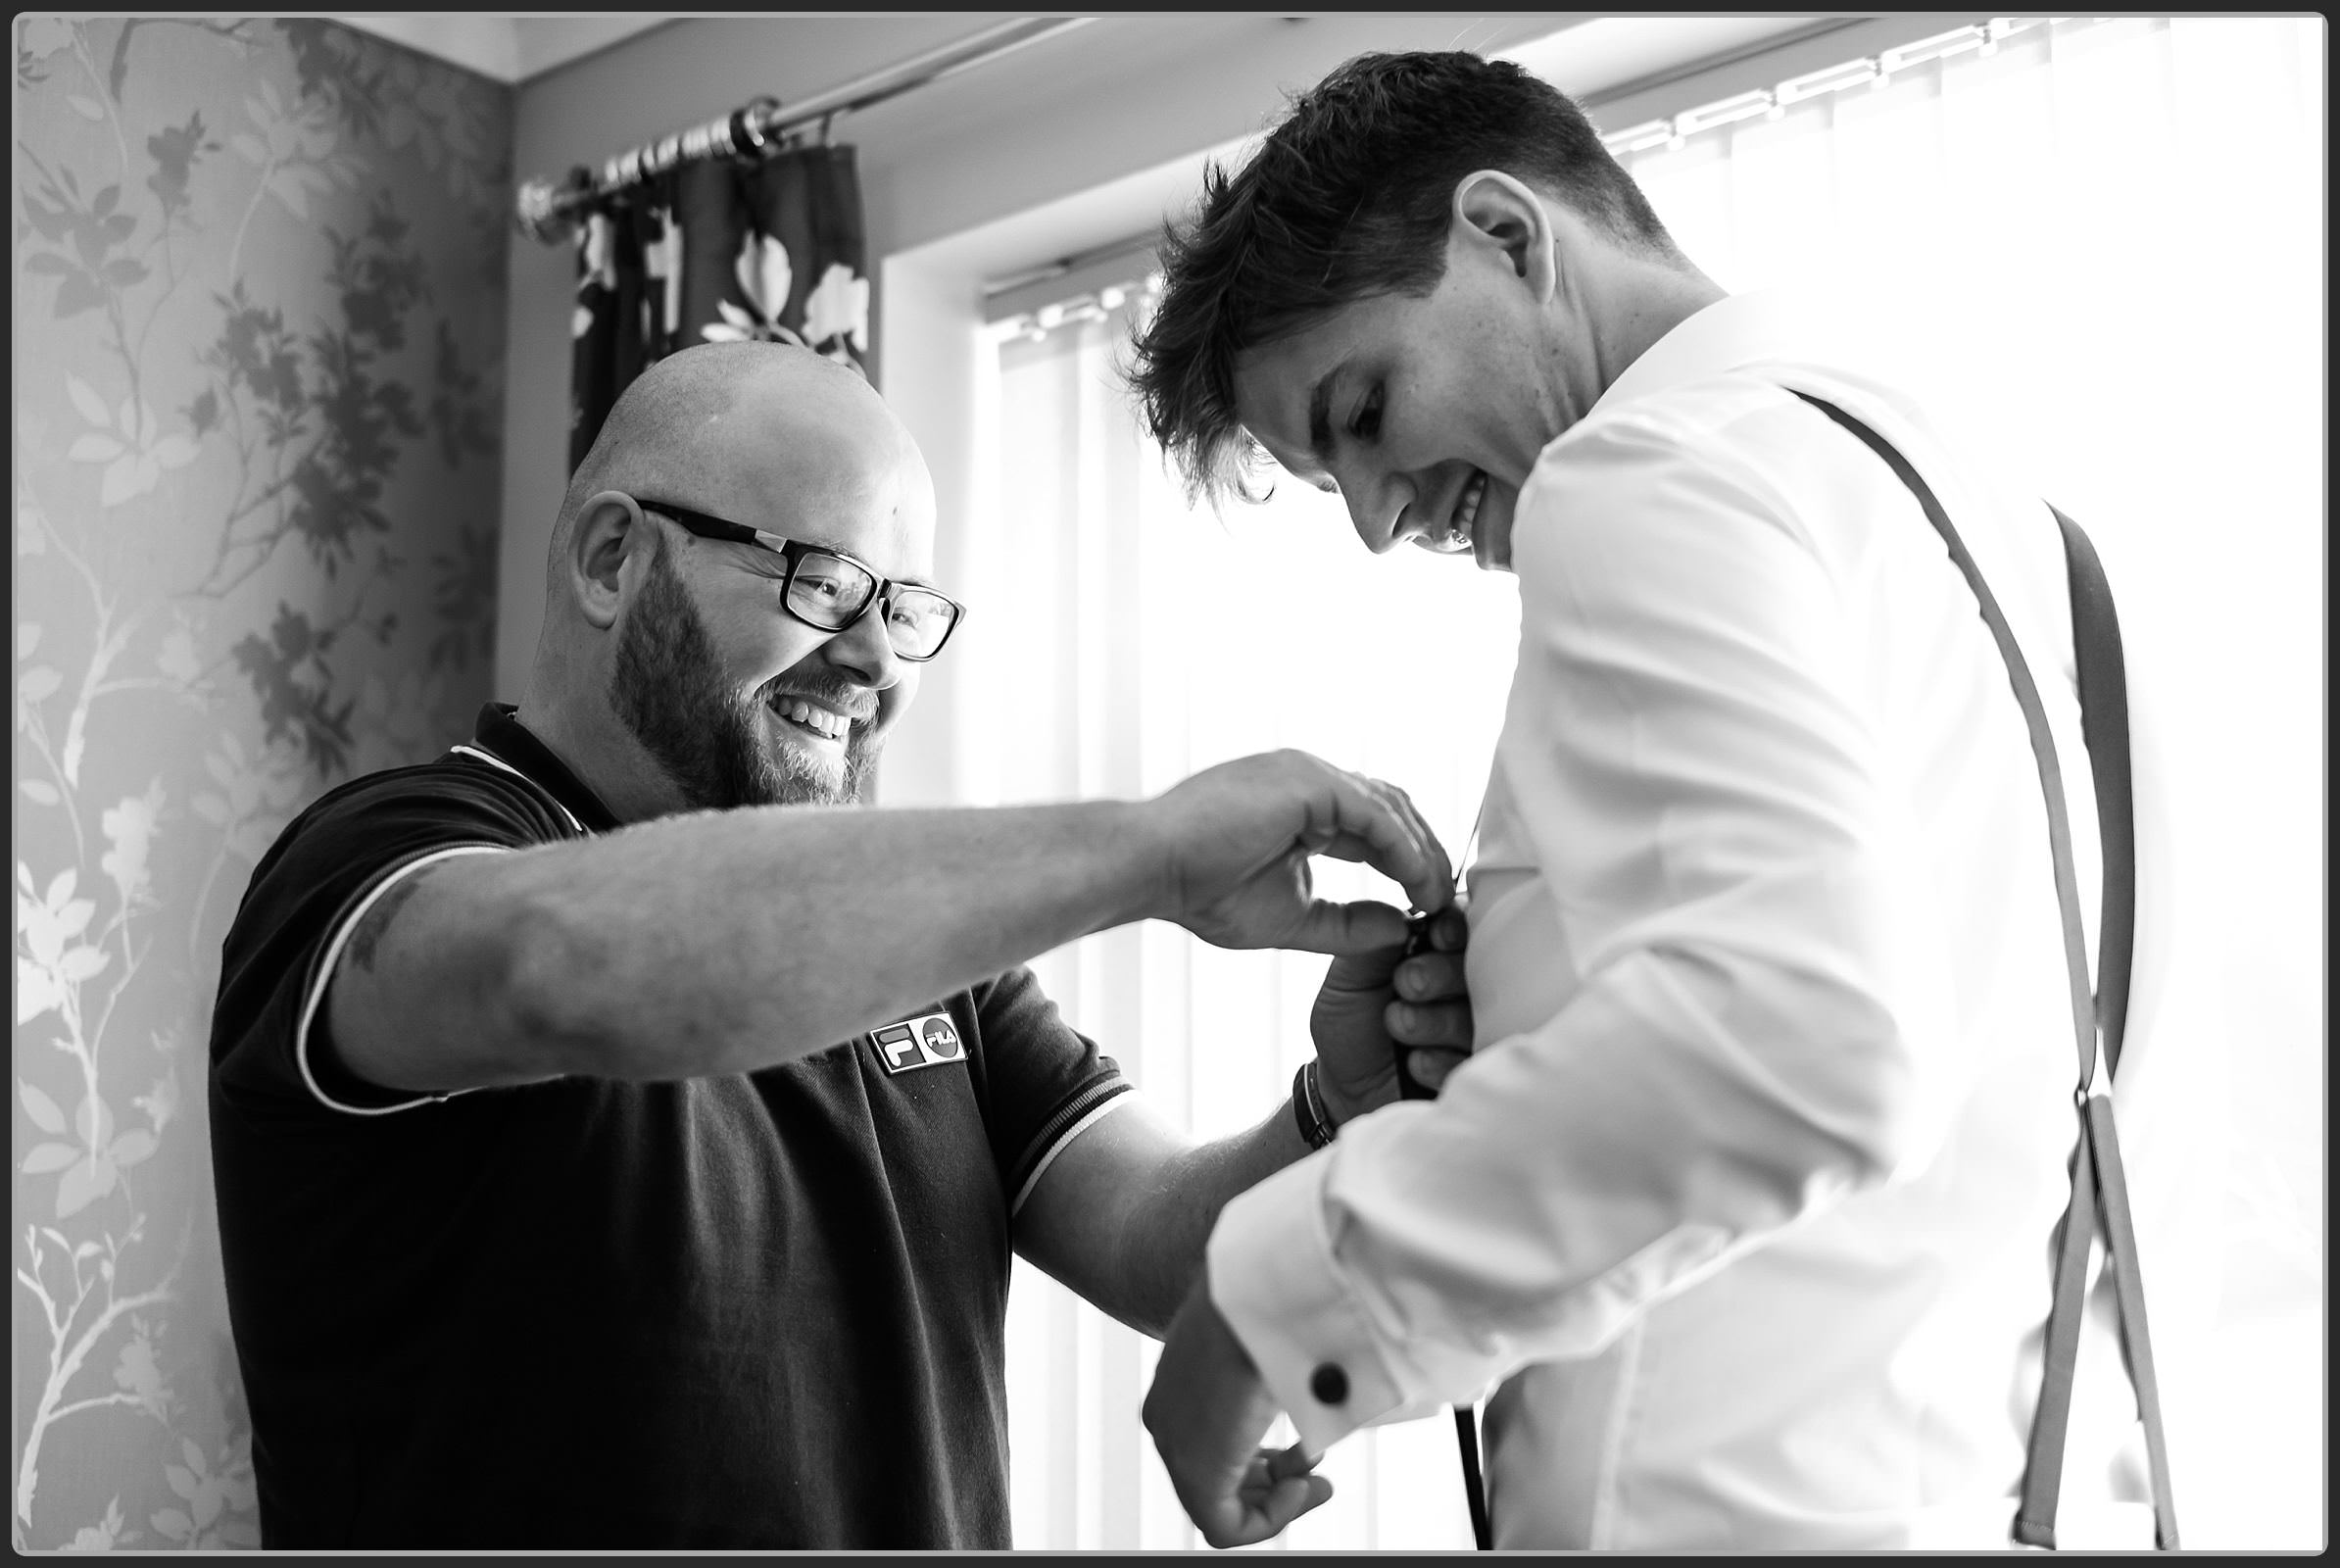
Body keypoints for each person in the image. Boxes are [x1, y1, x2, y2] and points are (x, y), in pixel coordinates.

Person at [1128, 49, 2219, 1551]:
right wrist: (1530, 1031)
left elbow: (1795, 1043)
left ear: (1510, 236)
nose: (1380, 526)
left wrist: (1268, 1306)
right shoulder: (2028, 549)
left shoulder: (1647, 474)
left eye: (1364, 412)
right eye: (1335, 485)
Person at [204, 339, 1475, 1548]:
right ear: (609, 559)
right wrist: (1145, 851)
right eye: (821, 583)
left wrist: (1335, 1110)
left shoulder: (924, 941)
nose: (874, 660)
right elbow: (562, 969)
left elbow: (1167, 1248)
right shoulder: (382, 862)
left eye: (907, 607)